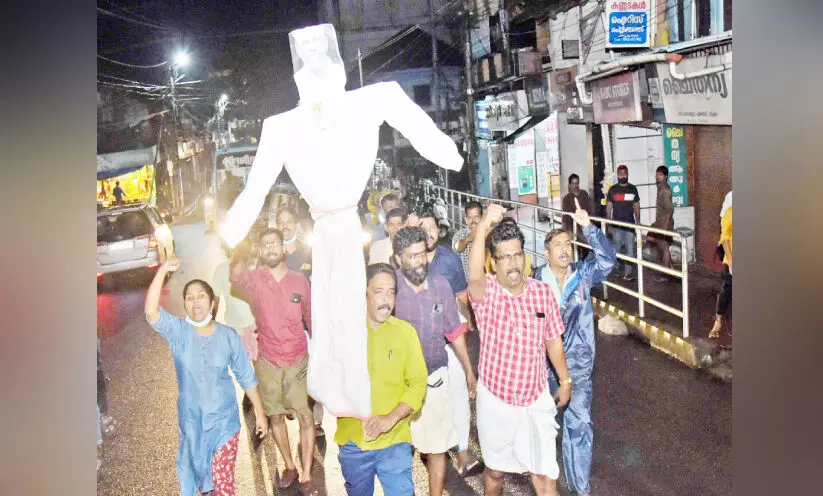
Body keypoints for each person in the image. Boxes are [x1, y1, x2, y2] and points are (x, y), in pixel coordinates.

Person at [467, 203, 571, 496]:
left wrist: (565, 380)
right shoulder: (486, 294)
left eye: (517, 255)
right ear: (494, 263)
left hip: (535, 399)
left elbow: (553, 340)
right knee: (496, 472)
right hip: (496, 401)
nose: (513, 264)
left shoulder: (542, 293)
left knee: (545, 476)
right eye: (505, 257)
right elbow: (473, 271)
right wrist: (485, 223)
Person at [144, 256, 268, 496]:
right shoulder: (178, 331)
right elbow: (151, 311)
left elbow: (246, 375)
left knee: (223, 486)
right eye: (189, 297)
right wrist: (161, 271)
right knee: (204, 486)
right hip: (192, 425)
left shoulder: (228, 336)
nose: (194, 300)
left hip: (224, 423)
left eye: (201, 295)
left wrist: (260, 414)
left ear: (212, 302)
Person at [533, 199, 617, 496]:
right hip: (542, 368)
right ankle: (545, 486)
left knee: (579, 425)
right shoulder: (534, 283)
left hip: (578, 365)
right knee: (542, 429)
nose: (565, 249)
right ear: (547, 252)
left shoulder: (583, 274)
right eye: (558, 244)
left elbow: (608, 260)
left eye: (568, 243)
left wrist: (588, 228)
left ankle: (580, 489)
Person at [229, 229, 318, 494]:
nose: (270, 248)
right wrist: (239, 248)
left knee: (306, 416)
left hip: (298, 358)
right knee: (276, 416)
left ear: (283, 248)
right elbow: (235, 275)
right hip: (268, 359)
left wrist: (323, 354)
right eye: (265, 244)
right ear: (261, 250)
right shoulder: (254, 280)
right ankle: (289, 466)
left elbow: (311, 318)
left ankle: (306, 474)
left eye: (275, 243)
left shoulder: (299, 280)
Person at [391, 226, 476, 495]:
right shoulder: (389, 290)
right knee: (401, 450)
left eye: (422, 254)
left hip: (435, 379)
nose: (419, 261)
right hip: (399, 385)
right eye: (411, 256)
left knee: (438, 448)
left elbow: (454, 331)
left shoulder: (440, 284)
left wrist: (469, 372)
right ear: (397, 259)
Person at [335, 263, 429, 496]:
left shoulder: (405, 332)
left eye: (391, 292)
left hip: (395, 437)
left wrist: (391, 418)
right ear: (364, 292)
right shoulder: (344, 334)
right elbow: (327, 383)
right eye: (379, 292)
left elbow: (417, 383)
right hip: (354, 441)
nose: (386, 299)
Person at [411, 207, 480, 473]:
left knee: (458, 393)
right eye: (423, 227)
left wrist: (467, 322)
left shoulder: (449, 259)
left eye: (432, 228)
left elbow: (462, 296)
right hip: (419, 347)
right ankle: (431, 446)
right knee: (426, 398)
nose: (429, 233)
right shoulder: (408, 263)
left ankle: (463, 450)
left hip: (450, 341)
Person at [212, 240, 259, 409]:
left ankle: (260, 397)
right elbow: (215, 299)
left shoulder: (254, 269)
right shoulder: (221, 270)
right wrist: (210, 323)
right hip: (235, 328)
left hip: (255, 325)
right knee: (243, 365)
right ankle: (250, 392)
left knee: (258, 363)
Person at [606, 164, 641, 281]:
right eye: (620, 174)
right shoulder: (613, 190)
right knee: (616, 248)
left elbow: (636, 206)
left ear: (627, 174)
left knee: (630, 249)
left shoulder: (633, 189)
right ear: (617, 175)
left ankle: (628, 273)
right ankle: (616, 268)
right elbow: (608, 208)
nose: (622, 176)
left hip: (630, 225)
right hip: (616, 225)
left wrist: (638, 221)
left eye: (624, 174)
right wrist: (608, 223)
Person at [709, 191, 733, 339]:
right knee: (727, 289)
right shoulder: (731, 210)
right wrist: (730, 260)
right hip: (733, 256)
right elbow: (724, 237)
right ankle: (718, 321)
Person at [647, 166, 675, 277]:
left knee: (664, 249)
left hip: (664, 225)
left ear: (666, 176)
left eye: (660, 175)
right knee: (663, 248)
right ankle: (672, 271)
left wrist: (664, 228)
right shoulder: (661, 188)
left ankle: (665, 275)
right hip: (661, 223)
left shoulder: (665, 190)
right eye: (657, 174)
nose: (657, 176)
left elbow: (669, 210)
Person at [277, 205, 313, 281]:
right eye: (281, 222)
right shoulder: (270, 252)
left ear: (296, 225)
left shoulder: (309, 252)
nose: (285, 225)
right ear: (277, 226)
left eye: (289, 222)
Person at [452, 201, 484, 280]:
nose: (473, 220)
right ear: (466, 219)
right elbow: (456, 249)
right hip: (467, 284)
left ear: (482, 218)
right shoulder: (459, 235)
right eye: (470, 217)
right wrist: (468, 239)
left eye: (476, 217)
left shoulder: (489, 234)